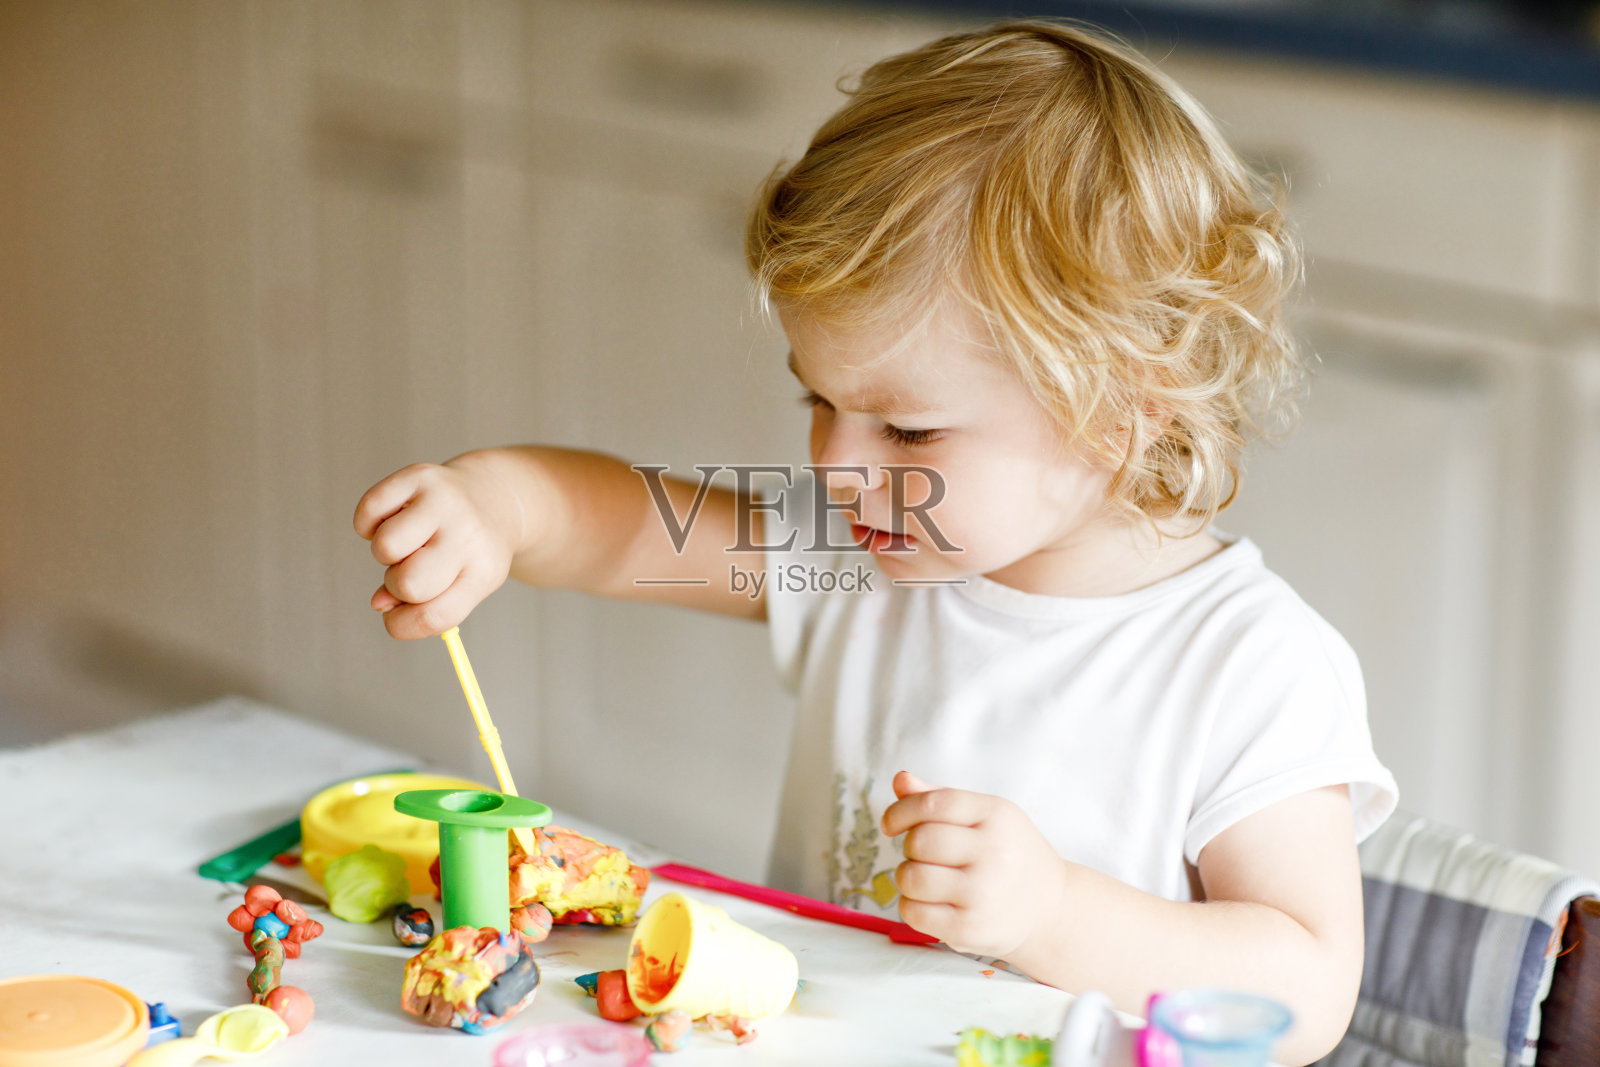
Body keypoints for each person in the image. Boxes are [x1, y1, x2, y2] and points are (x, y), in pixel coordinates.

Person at [353, 20, 1395, 1064]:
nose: (838, 467)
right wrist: (497, 507)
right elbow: (624, 529)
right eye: (820, 399)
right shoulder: (861, 547)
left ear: (1124, 407)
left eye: (907, 428)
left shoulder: (1249, 664)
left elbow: (1307, 984)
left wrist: (1055, 913)